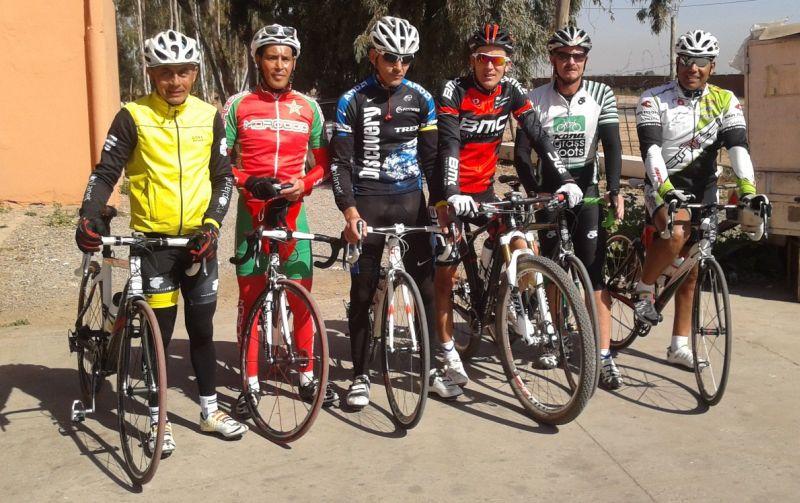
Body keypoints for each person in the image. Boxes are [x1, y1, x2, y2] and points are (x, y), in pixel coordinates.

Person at [75, 29, 246, 454]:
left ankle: (209, 412)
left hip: (199, 241)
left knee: (202, 329)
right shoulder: (132, 116)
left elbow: (223, 177)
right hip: (153, 245)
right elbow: (106, 171)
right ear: (151, 73)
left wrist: (212, 226)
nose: (175, 81)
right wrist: (89, 214)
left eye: (184, 72)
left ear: (195, 73)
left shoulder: (209, 116)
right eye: (166, 72)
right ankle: (157, 419)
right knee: (158, 336)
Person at [433, 22, 582, 397]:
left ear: (507, 64)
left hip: (483, 188)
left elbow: (538, 135)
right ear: (472, 60)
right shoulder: (454, 90)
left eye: (497, 60)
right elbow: (448, 144)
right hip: (450, 188)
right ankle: (447, 351)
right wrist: (450, 193)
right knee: (447, 272)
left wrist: (565, 179)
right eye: (483, 59)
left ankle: (508, 298)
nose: (490, 66)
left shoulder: (511, 91)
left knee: (519, 241)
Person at [633, 29, 768, 368]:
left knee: (693, 268)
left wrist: (748, 190)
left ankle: (678, 345)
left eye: (701, 61)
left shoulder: (724, 100)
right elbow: (650, 151)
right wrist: (665, 189)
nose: (692, 68)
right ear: (677, 62)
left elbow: (737, 147)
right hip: (662, 183)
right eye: (686, 60)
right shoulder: (653, 98)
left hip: (704, 187)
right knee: (677, 232)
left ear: (712, 66)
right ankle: (644, 288)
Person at [223, 24, 336, 414]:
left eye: (286, 58)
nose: (279, 65)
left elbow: (323, 165)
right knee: (251, 298)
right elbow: (220, 163)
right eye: (272, 57)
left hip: (293, 212)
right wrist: (246, 181)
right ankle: (250, 383)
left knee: (301, 296)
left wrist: (303, 184)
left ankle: (306, 375)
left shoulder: (309, 108)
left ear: (294, 63)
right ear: (259, 60)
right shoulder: (238, 105)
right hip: (252, 213)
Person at [330, 16, 438, 408]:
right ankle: (360, 375)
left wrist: (440, 207)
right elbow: (339, 164)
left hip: (411, 203)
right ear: (374, 56)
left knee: (427, 287)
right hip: (369, 204)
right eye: (391, 57)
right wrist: (349, 212)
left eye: (406, 59)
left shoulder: (422, 99)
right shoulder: (352, 100)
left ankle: (431, 370)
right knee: (362, 292)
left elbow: (432, 161)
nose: (399, 66)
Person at [514, 26, 624, 389]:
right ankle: (556, 338)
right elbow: (521, 154)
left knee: (594, 276)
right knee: (553, 270)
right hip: (549, 195)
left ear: (585, 60)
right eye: (563, 55)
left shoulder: (601, 94)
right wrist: (535, 192)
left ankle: (604, 356)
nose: (571, 62)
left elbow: (612, 145)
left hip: (587, 194)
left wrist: (614, 190)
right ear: (552, 59)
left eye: (578, 56)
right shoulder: (534, 98)